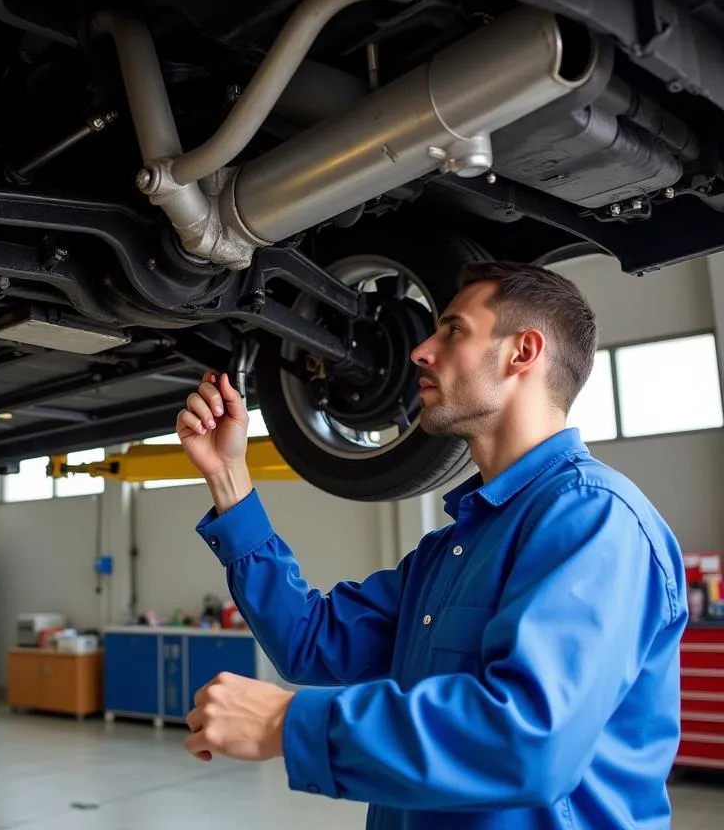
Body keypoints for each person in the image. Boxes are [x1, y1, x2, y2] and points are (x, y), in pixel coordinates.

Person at [176, 261, 687, 829]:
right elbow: (309, 641)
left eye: (453, 331)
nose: (420, 350)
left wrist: (285, 724)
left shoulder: (595, 517)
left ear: (522, 352)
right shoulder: (454, 549)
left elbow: (530, 742)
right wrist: (229, 478)